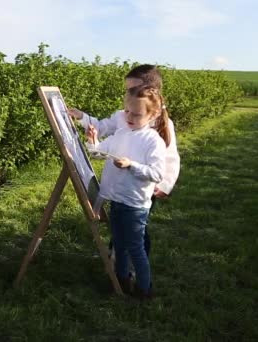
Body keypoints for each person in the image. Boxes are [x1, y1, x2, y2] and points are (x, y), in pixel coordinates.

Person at [69, 64, 180, 257]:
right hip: (121, 181)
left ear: (150, 90)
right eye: (127, 89)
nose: (128, 93)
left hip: (143, 185)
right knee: (119, 222)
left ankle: (136, 267)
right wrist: (82, 117)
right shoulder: (124, 115)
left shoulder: (162, 122)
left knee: (137, 229)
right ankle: (118, 258)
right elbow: (101, 126)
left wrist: (165, 184)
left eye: (132, 88)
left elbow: (170, 156)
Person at [85, 86, 167, 299]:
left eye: (137, 114)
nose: (129, 117)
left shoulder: (153, 141)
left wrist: (132, 165)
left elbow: (157, 174)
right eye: (127, 111)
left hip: (135, 205)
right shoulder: (121, 133)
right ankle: (121, 282)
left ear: (153, 114)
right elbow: (98, 153)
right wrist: (92, 140)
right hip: (117, 200)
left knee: (135, 248)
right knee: (119, 245)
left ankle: (144, 289)